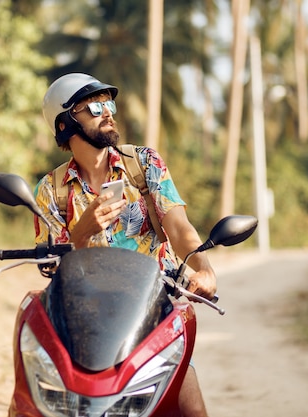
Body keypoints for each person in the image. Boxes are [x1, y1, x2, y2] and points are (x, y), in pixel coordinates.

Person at [33, 72, 216, 417]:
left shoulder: (144, 164)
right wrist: (81, 233)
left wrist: (204, 268)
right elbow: (53, 269)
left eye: (109, 103)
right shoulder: (51, 191)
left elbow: (177, 226)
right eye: (94, 107)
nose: (108, 112)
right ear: (64, 125)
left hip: (149, 308)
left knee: (189, 399)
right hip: (84, 321)